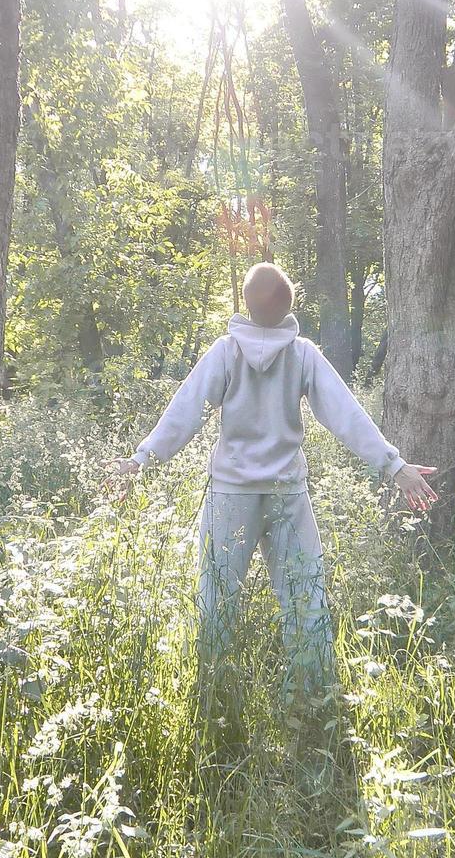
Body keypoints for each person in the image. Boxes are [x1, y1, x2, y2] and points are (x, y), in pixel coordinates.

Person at [111, 263, 437, 751]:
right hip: (287, 493)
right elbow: (345, 415)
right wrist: (394, 466)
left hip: (231, 496)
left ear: (244, 304)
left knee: (217, 601)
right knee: (305, 599)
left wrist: (141, 460)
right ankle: (315, 707)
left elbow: (185, 411)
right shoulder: (302, 354)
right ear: (290, 306)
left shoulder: (225, 352)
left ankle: (215, 704)